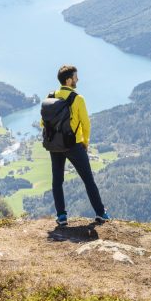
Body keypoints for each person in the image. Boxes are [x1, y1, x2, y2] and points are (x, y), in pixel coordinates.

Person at [47, 64, 110, 226]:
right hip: (74, 145)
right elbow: (86, 124)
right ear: (69, 80)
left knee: (57, 181)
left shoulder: (51, 96)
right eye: (75, 77)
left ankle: (61, 216)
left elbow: (43, 123)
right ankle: (101, 213)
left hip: (55, 146)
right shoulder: (78, 98)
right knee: (88, 180)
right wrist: (85, 142)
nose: (78, 79)